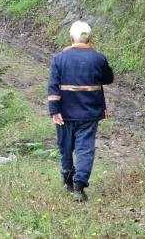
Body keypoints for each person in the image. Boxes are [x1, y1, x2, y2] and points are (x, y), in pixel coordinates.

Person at [47, 21, 114, 201]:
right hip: (89, 114)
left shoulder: (59, 58)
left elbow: (53, 86)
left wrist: (54, 110)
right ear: (89, 38)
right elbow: (109, 78)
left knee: (65, 147)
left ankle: (68, 180)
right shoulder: (98, 58)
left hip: (64, 113)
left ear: (70, 38)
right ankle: (79, 187)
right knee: (85, 148)